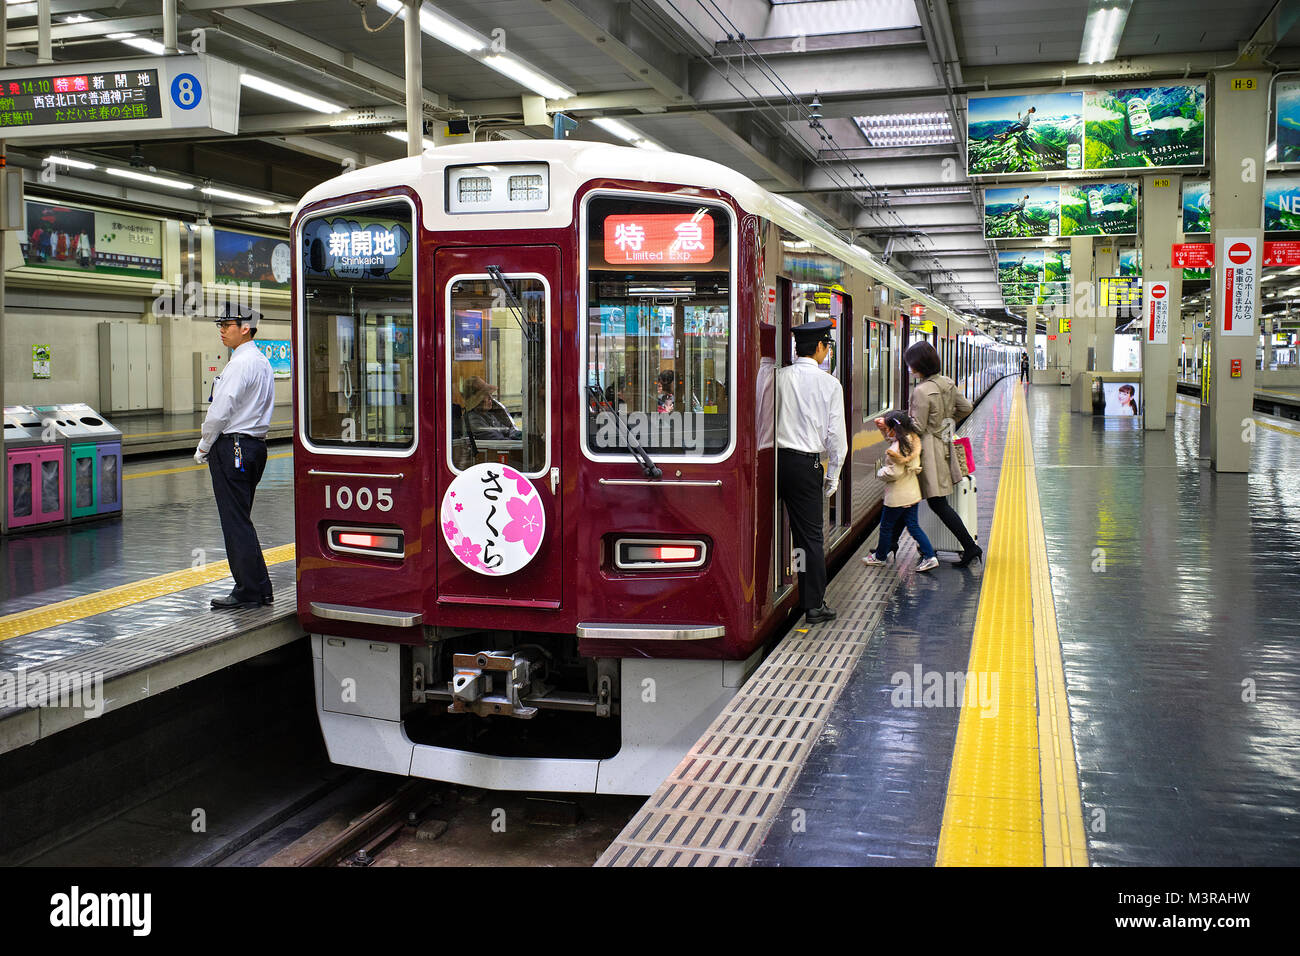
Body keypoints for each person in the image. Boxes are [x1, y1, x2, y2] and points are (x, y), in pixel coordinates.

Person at [195, 305, 276, 610]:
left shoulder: (241, 363)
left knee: (235, 522)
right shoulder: (261, 362)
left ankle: (248, 591)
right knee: (241, 520)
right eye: (220, 324)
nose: (222, 329)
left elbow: (221, 409)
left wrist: (204, 445)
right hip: (254, 447)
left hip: (234, 447)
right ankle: (259, 588)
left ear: (245, 328)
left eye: (227, 324)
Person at [879, 340, 980, 567]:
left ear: (919, 365)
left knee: (931, 503)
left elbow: (918, 426)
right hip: (943, 447)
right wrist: (945, 425)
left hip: (927, 453)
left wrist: (894, 420)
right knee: (908, 500)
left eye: (910, 364)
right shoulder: (947, 383)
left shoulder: (921, 391)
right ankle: (889, 545)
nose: (909, 368)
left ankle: (970, 547)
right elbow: (966, 408)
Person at [776, 320, 847, 624]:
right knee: (809, 538)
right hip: (806, 466)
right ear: (820, 348)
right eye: (827, 347)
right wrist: (833, 477)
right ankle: (813, 605)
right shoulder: (830, 384)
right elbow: (836, 438)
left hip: (772, 461)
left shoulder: (778, 378)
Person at [862, 410, 938, 572]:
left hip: (897, 497)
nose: (887, 433)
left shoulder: (896, 450)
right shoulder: (911, 440)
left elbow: (894, 473)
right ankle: (930, 556)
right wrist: (883, 428)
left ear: (894, 429)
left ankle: (880, 557)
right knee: (913, 525)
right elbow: (892, 439)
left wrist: (880, 472)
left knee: (886, 526)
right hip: (911, 493)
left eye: (888, 428)